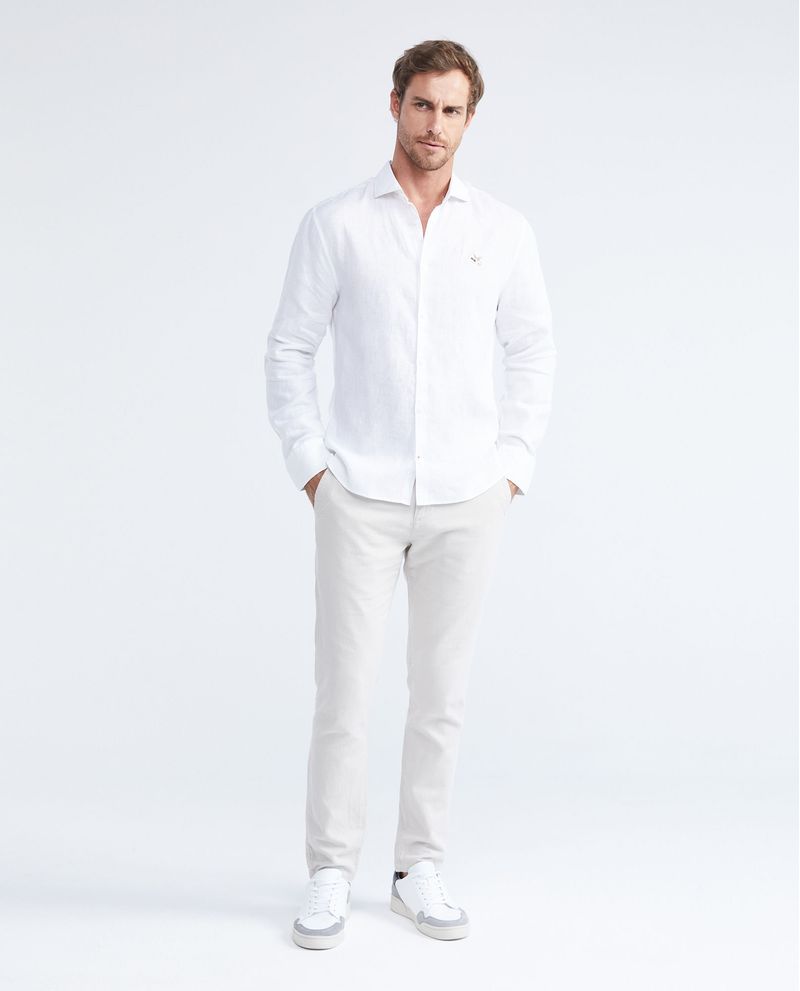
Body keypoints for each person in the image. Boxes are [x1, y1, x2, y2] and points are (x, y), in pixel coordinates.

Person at [265, 38, 557, 949]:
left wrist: (512, 467)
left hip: (468, 496)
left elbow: (534, 349)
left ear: (471, 118)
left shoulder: (502, 230)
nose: (435, 125)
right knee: (343, 692)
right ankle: (329, 869)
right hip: (358, 490)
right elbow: (289, 347)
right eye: (422, 104)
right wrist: (313, 468)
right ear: (394, 103)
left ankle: (415, 867)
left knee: (441, 692)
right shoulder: (337, 224)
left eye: (452, 110)